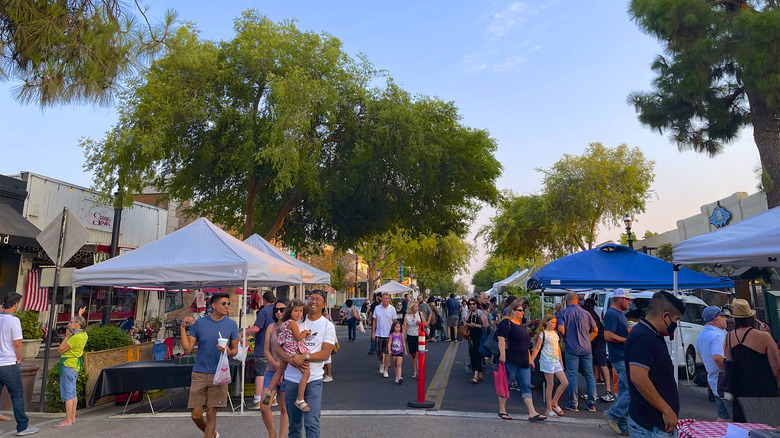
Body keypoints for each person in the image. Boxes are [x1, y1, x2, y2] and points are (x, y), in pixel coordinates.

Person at [273, 289, 336, 438]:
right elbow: (277, 347)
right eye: (311, 298)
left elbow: (326, 353)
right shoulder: (296, 321)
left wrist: (304, 357)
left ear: (324, 304)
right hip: (291, 379)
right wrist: (292, 360)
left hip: (313, 379)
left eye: (318, 299)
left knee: (311, 423)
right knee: (294, 425)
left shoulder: (327, 326)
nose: (313, 301)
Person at [625, 291, 685, 437]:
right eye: (676, 320)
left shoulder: (652, 334)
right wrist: (666, 410)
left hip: (654, 426)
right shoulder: (643, 337)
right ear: (665, 316)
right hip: (650, 427)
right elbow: (639, 378)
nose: (675, 324)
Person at [180, 293, 239, 438]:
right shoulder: (200, 324)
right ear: (213, 306)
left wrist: (228, 351)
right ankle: (212, 434)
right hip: (200, 372)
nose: (227, 307)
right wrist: (183, 328)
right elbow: (187, 348)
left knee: (212, 413)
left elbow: (235, 349)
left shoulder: (231, 324)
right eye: (223, 304)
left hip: (220, 372)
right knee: (196, 415)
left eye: (228, 304)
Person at [724, 298, 780, 423]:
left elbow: (728, 366)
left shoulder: (728, 338)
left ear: (734, 319)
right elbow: (777, 367)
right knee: (768, 429)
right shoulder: (764, 337)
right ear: (751, 317)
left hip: (740, 394)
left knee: (744, 430)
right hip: (765, 392)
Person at [496, 300, 547, 422]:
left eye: (523, 310)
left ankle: (532, 412)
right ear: (512, 311)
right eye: (519, 310)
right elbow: (501, 339)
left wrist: (530, 359)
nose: (522, 312)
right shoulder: (506, 323)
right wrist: (502, 354)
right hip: (511, 359)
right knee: (506, 384)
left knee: (525, 386)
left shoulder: (520, 325)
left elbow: (526, 345)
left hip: (523, 360)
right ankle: (502, 409)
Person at [0, 293, 38, 436]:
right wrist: (19, 358)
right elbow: (17, 343)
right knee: (17, 396)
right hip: (9, 363)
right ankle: (22, 426)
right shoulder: (14, 321)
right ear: (16, 304)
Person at [264, 300, 313, 411]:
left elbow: (278, 334)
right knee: (306, 372)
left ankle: (269, 391)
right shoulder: (293, 323)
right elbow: (299, 337)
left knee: (280, 371)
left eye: (301, 311)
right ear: (290, 312)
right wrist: (305, 332)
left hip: (286, 350)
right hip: (294, 351)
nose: (299, 314)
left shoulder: (283, 324)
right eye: (296, 311)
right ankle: (300, 399)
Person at [558, 291, 598, 412]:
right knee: (590, 375)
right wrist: (588, 340)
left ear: (567, 300)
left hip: (571, 347)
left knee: (572, 375)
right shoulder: (586, 313)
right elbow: (595, 329)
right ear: (577, 300)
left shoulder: (564, 313)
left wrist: (565, 336)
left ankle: (573, 404)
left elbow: (561, 329)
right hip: (586, 347)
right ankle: (592, 404)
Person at [604, 288, 635, 436]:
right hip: (619, 357)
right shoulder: (612, 314)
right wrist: (627, 339)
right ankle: (613, 414)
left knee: (624, 391)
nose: (630, 302)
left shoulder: (618, 314)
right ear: (619, 299)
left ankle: (623, 426)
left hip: (622, 356)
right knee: (633, 389)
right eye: (627, 299)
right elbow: (607, 335)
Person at [694, 305, 731, 423]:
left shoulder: (702, 335)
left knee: (723, 416)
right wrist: (726, 374)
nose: (726, 319)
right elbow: (717, 357)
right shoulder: (718, 335)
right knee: (734, 416)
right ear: (716, 319)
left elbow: (700, 354)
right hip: (723, 382)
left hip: (713, 379)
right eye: (723, 316)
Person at [260, 299, 289, 438]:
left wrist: (282, 369)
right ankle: (272, 434)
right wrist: (276, 365)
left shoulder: (292, 327)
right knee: (264, 407)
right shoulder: (271, 327)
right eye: (276, 310)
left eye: (282, 309)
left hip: (287, 372)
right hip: (271, 370)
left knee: (284, 408)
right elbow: (266, 350)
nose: (278, 312)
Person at [243, 290, 277, 408]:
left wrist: (243, 333)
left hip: (263, 347)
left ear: (264, 300)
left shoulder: (264, 311)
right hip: (276, 349)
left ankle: (258, 399)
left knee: (261, 373)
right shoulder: (278, 311)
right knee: (273, 373)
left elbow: (256, 328)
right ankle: (273, 398)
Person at [55, 309, 88, 428]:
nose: (69, 324)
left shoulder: (74, 338)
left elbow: (60, 349)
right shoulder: (83, 335)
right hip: (75, 365)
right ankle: (72, 417)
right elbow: (81, 324)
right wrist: (79, 315)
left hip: (68, 364)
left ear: (77, 325)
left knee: (68, 393)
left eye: (71, 322)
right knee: (73, 392)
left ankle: (68, 420)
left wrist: (66, 336)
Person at [531, 313, 568, 418]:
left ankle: (554, 401)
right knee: (550, 385)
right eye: (552, 322)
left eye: (555, 323)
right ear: (546, 322)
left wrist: (561, 360)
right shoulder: (543, 334)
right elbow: (537, 348)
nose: (554, 324)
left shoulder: (555, 333)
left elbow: (558, 347)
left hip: (555, 360)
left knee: (565, 382)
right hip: (547, 361)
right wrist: (532, 360)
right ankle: (549, 408)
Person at [583, 298, 613, 402]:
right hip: (598, 341)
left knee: (602, 365)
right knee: (596, 365)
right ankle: (592, 391)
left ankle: (608, 391)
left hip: (598, 342)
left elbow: (593, 330)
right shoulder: (593, 313)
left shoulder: (589, 314)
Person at [372, 293, 397, 378]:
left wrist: (395, 333)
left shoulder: (392, 309)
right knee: (378, 352)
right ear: (381, 299)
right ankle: (382, 363)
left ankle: (386, 370)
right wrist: (373, 333)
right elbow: (374, 321)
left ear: (389, 299)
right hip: (379, 333)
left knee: (387, 353)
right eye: (383, 298)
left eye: (386, 298)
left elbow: (394, 322)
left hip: (388, 335)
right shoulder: (377, 308)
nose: (385, 300)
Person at [464, 298, 488, 384]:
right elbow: (465, 323)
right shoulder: (469, 313)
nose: (472, 306)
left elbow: (485, 326)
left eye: (473, 304)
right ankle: (480, 374)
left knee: (477, 355)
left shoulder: (480, 313)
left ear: (476, 304)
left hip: (479, 337)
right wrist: (469, 324)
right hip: (472, 337)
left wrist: (476, 325)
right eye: (470, 304)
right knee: (473, 355)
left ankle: (476, 376)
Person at [402, 301, 425, 378]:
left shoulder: (420, 314)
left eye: (417, 306)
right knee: (413, 354)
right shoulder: (407, 316)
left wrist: (420, 323)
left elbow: (425, 324)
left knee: (418, 353)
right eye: (415, 306)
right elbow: (405, 327)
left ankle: (419, 371)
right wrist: (402, 337)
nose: (417, 308)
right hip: (410, 335)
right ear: (411, 307)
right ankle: (414, 370)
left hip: (419, 336)